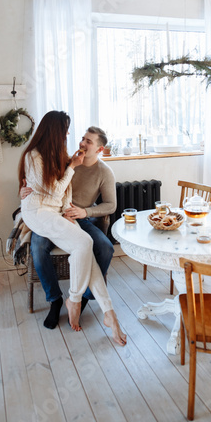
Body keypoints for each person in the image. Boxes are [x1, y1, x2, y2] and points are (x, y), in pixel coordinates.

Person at [19, 111, 126, 346]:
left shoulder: (102, 171)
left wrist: (79, 212)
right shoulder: (60, 159)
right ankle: (61, 300)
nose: (79, 141)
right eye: (79, 137)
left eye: (88, 141)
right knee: (46, 246)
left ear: (99, 149)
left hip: (68, 214)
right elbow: (50, 191)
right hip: (44, 214)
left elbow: (108, 204)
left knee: (96, 248)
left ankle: (107, 312)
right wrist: (26, 190)